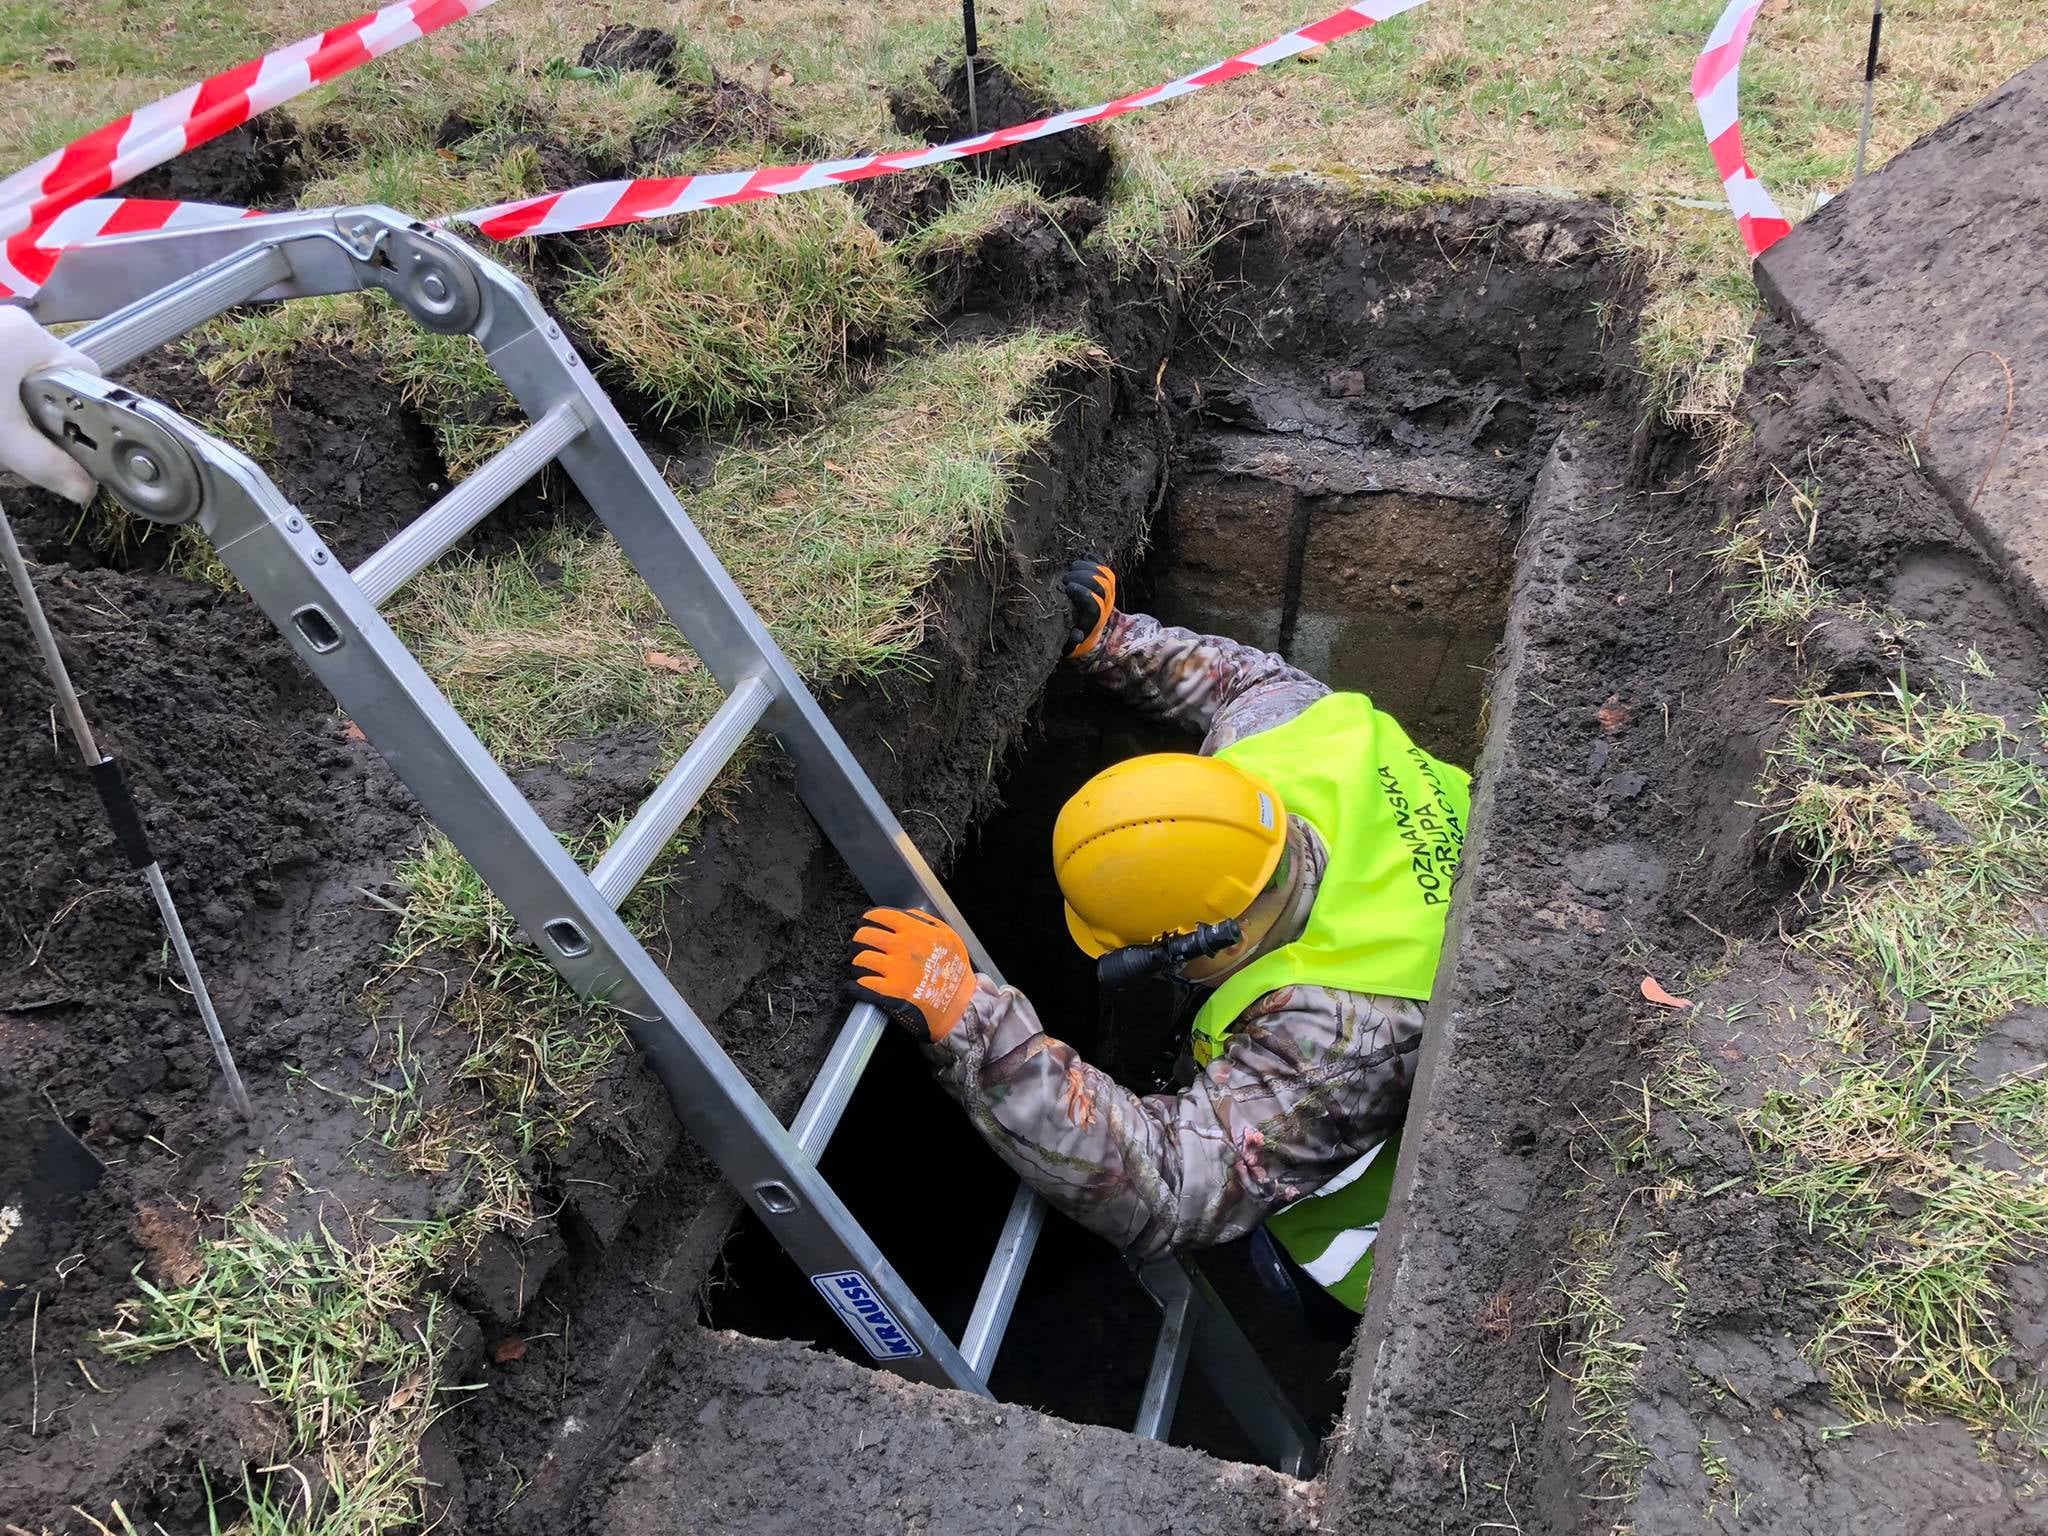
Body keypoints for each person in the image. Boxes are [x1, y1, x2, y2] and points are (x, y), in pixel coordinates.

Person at [849, 560, 1470, 1315]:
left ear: (1210, 943)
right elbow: (1242, 679)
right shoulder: (1297, 739)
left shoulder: (1343, 1029)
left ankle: (1314, 1317)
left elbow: (1175, 1188)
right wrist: (1115, 641)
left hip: (1395, 1235)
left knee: (1310, 1287)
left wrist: (975, 1025)